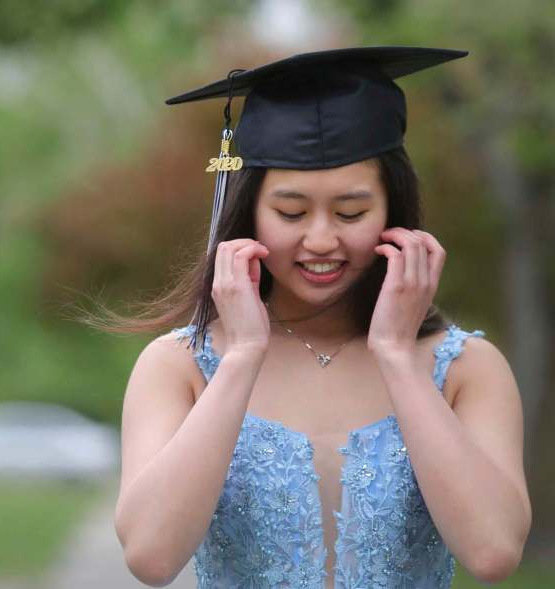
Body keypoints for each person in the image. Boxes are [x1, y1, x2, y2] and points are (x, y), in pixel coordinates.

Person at [105, 47, 532, 588]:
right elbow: (150, 556)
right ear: (250, 213)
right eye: (291, 212)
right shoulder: (179, 366)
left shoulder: (467, 368)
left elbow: (494, 553)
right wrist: (241, 359)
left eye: (352, 212)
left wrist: (397, 357)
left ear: (392, 211)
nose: (323, 239)